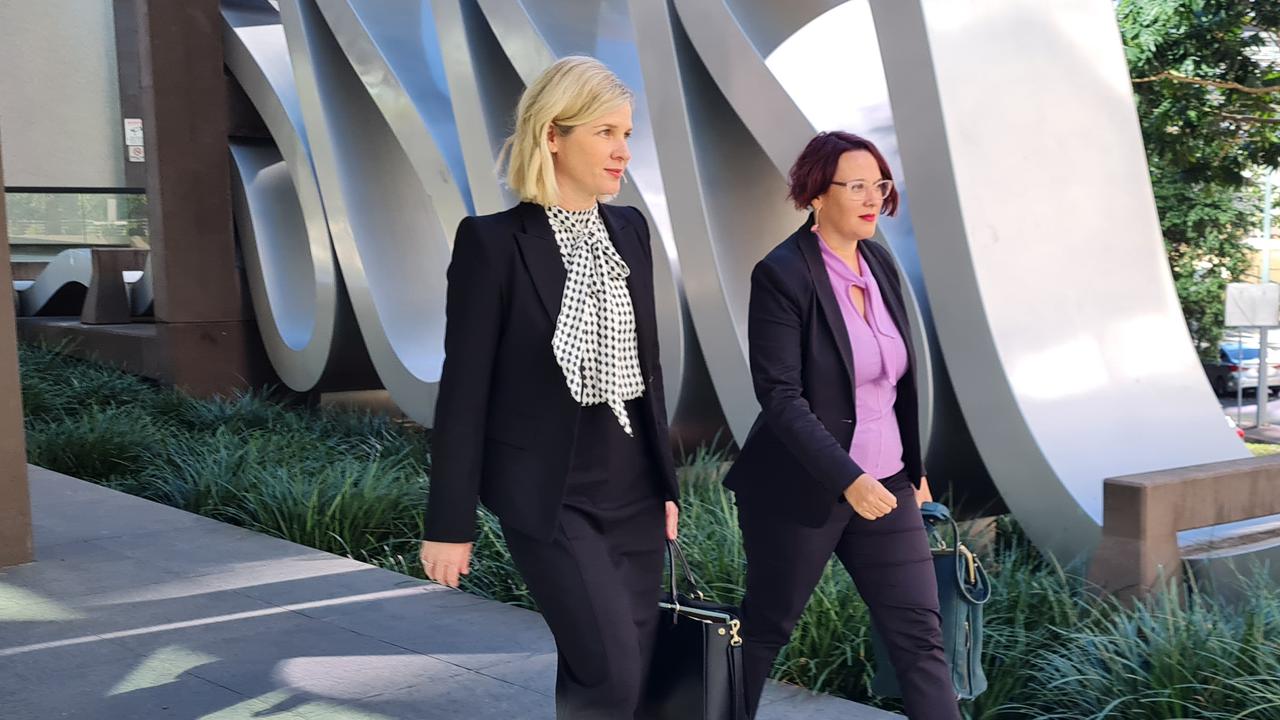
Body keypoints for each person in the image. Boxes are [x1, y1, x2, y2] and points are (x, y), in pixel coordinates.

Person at [419, 56, 679, 720]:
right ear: (552, 135)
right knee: (611, 672)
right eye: (604, 132)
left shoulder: (630, 232)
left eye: (627, 133)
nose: (622, 151)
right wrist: (449, 524)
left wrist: (665, 485)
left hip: (636, 495)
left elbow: (645, 372)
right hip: (552, 497)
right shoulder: (493, 244)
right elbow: (464, 390)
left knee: (613, 672)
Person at [724, 131, 961, 719]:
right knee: (765, 628)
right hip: (802, 486)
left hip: (889, 486)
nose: (872, 198)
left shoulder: (879, 260)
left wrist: (914, 470)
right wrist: (847, 477)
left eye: (878, 185)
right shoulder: (782, 274)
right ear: (815, 194)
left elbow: (895, 381)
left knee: (920, 639)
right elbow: (780, 397)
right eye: (855, 186)